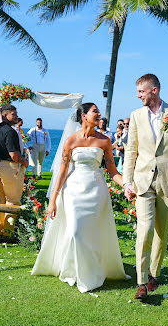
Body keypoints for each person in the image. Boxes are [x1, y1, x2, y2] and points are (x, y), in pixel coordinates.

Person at [32, 102, 127, 292]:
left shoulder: (105, 141)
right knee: (75, 231)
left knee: (92, 232)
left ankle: (92, 272)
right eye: (95, 111)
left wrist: (127, 185)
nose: (99, 114)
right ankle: (77, 271)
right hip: (74, 191)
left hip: (96, 189)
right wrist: (53, 201)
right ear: (84, 116)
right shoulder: (71, 141)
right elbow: (62, 172)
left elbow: (113, 171)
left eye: (98, 111)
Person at [123, 73, 168, 301]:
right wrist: (127, 182)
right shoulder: (135, 116)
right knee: (144, 231)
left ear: (154, 90)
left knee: (161, 233)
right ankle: (141, 281)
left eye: (141, 91)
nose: (138, 95)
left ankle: (154, 274)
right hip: (143, 181)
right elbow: (131, 151)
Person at [0, 105, 29, 235]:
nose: (16, 116)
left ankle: (0, 230)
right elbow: (14, 155)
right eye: (13, 114)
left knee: (2, 200)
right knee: (13, 201)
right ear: (5, 115)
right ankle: (8, 233)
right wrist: (24, 161)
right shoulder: (10, 131)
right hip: (9, 167)